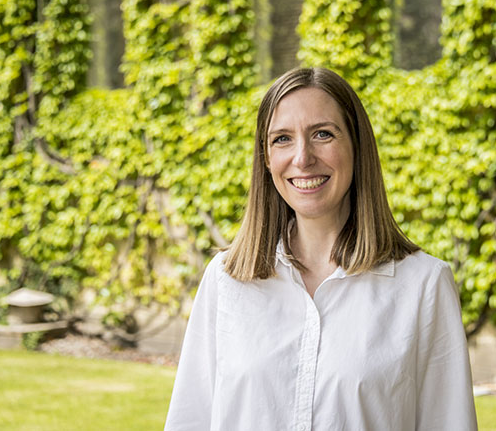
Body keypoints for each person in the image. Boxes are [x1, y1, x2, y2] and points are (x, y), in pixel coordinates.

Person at [165, 67, 478, 431]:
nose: (302, 158)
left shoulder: (424, 285)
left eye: (323, 134)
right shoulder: (225, 281)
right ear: (265, 159)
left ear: (358, 148)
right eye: (282, 139)